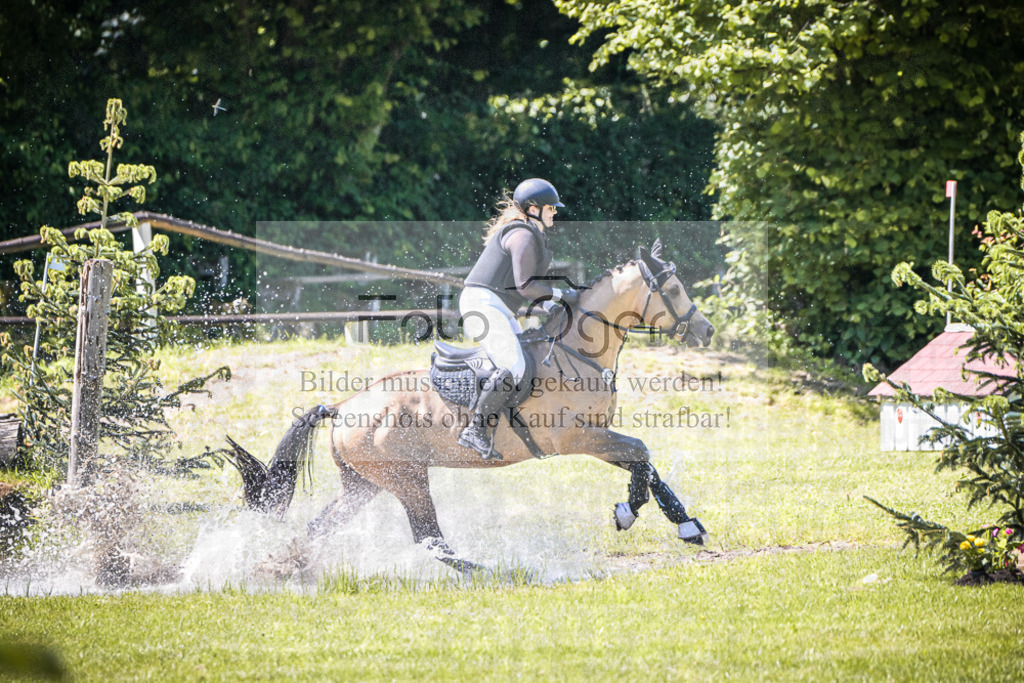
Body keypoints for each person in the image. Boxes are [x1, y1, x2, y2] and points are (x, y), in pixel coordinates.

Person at [457, 178, 579, 459]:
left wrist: (551, 304)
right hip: (481, 304)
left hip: (498, 306)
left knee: (526, 358)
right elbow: (525, 286)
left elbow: (522, 288)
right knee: (514, 366)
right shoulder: (522, 235)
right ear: (533, 209)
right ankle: (475, 430)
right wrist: (561, 294)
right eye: (550, 207)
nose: (555, 212)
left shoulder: (530, 233)